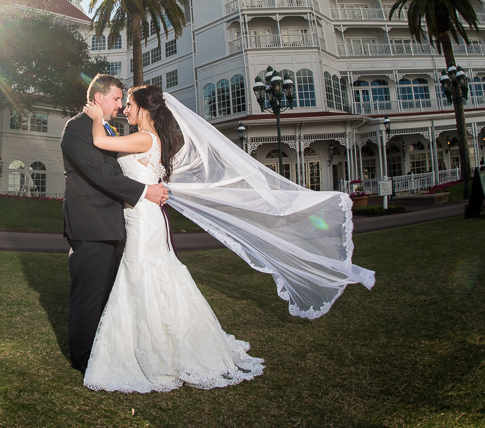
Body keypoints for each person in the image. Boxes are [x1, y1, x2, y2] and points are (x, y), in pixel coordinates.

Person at [82, 85, 375, 393]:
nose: (126, 109)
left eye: (129, 104)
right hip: (142, 216)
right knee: (153, 277)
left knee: (142, 276)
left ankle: (154, 351)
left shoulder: (145, 138)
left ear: (144, 108)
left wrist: (96, 116)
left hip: (144, 219)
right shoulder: (151, 138)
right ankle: (158, 342)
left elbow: (101, 141)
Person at [60, 74, 169, 374]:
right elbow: (99, 173)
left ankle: (100, 352)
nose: (121, 105)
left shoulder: (106, 128)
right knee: (88, 296)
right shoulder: (77, 128)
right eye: (117, 98)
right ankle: (83, 360)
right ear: (99, 98)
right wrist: (147, 191)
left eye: (124, 100)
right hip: (90, 224)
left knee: (105, 294)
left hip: (114, 223)